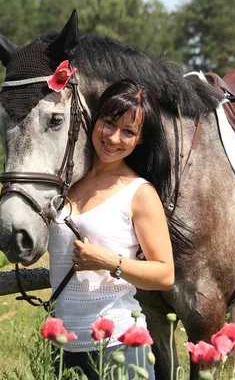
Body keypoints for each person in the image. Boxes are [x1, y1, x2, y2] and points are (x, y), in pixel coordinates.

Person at [48, 78, 174, 379]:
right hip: (62, 346)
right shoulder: (67, 182)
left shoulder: (139, 193)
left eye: (128, 132)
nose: (114, 138)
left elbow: (165, 274)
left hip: (119, 345)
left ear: (140, 139)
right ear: (96, 118)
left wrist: (108, 262)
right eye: (109, 123)